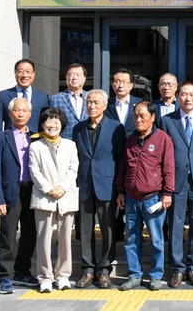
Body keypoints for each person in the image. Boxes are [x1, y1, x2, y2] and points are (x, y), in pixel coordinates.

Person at [156, 81, 193, 288]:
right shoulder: (167, 121)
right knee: (176, 225)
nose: (188, 98)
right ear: (177, 97)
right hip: (176, 181)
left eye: (192, 94)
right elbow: (162, 154)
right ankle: (177, 269)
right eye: (184, 94)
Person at [115, 102, 175, 291]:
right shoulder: (130, 139)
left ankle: (156, 276)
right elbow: (124, 167)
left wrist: (167, 193)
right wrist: (120, 191)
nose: (138, 119)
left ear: (153, 117)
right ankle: (134, 275)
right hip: (131, 198)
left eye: (142, 116)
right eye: (135, 116)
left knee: (156, 240)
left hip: (153, 198)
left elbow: (169, 168)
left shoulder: (163, 139)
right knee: (131, 239)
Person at [73, 90, 126, 289]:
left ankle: (104, 270)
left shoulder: (116, 128)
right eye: (89, 102)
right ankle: (87, 270)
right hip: (85, 185)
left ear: (104, 105)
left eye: (96, 102)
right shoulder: (78, 128)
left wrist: (120, 189)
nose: (92, 106)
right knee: (85, 230)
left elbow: (121, 160)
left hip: (107, 186)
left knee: (108, 230)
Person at [0, 97, 38, 294]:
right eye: (17, 110)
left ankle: (22, 272)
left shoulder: (36, 137)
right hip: (11, 192)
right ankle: (4, 277)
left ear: (30, 114)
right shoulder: (0, 138)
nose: (20, 114)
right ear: (10, 114)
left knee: (29, 235)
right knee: (8, 236)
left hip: (32, 192)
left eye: (24, 110)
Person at [28, 107, 79, 293]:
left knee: (65, 240)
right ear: (42, 125)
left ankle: (63, 276)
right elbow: (34, 171)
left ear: (62, 124)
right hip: (44, 198)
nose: (52, 124)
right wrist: (49, 189)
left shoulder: (70, 145)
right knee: (43, 240)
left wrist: (62, 188)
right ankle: (45, 277)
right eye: (48, 121)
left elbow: (73, 169)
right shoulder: (35, 146)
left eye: (56, 121)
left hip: (66, 197)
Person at [0, 59, 49, 134]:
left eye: (28, 72)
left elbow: (46, 123)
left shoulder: (43, 97)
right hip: (10, 140)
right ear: (15, 73)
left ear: (33, 74)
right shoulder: (3, 96)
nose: (25, 75)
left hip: (35, 140)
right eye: (20, 71)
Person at [48, 63, 88, 140]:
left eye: (78, 74)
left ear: (84, 78)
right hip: (64, 142)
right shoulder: (55, 99)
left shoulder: (91, 97)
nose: (75, 77)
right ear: (66, 77)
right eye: (71, 74)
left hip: (87, 143)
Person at [105, 68, 143, 137]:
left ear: (131, 85)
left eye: (124, 82)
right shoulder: (106, 104)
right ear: (112, 84)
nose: (121, 85)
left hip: (134, 141)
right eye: (117, 81)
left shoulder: (140, 103)